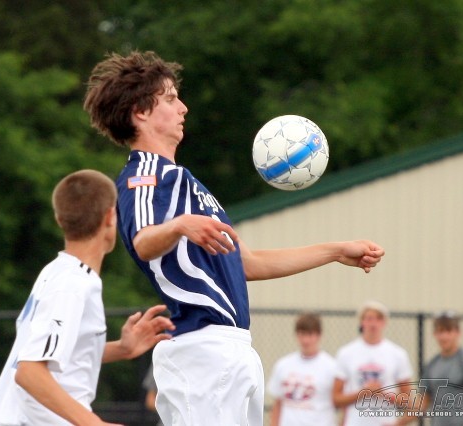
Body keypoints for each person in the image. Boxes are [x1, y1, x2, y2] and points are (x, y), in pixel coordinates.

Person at [83, 50, 385, 426]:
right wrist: (179, 226)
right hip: (201, 350)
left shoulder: (189, 184)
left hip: (233, 346)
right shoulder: (144, 175)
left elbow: (247, 263)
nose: (183, 108)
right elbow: (144, 241)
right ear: (140, 112)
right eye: (171, 98)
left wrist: (336, 250)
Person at [0, 170, 175, 426]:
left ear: (59, 219)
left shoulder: (57, 272)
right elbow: (29, 372)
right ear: (110, 217)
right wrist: (94, 423)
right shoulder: (72, 285)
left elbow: (56, 355)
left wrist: (121, 349)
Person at [399, 310, 463, 426]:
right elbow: (422, 403)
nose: (444, 336)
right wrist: (398, 423)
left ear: (458, 333)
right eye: (440, 331)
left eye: (448, 331)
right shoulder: (432, 365)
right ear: (434, 334)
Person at [333, 300, 413, 425]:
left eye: (378, 319)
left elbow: (407, 400)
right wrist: (363, 393)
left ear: (384, 323)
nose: (373, 324)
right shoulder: (346, 353)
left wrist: (382, 393)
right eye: (369, 319)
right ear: (362, 322)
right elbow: (336, 399)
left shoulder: (398, 354)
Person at [266, 313, 338, 426]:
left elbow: (339, 402)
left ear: (319, 335)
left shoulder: (332, 367)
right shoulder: (283, 365)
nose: (305, 340)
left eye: (310, 334)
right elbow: (278, 404)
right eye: (302, 334)